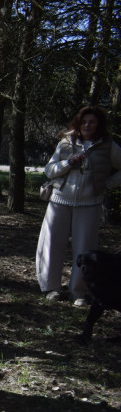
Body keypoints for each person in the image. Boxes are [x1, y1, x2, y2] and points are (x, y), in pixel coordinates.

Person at [36, 106, 121, 306]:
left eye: (92, 122)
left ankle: (78, 292)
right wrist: (68, 163)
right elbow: (50, 170)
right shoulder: (66, 143)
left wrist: (105, 184)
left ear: (99, 124)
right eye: (83, 122)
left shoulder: (107, 146)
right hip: (59, 200)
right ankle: (52, 288)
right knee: (52, 244)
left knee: (85, 248)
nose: (87, 125)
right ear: (78, 123)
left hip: (89, 203)